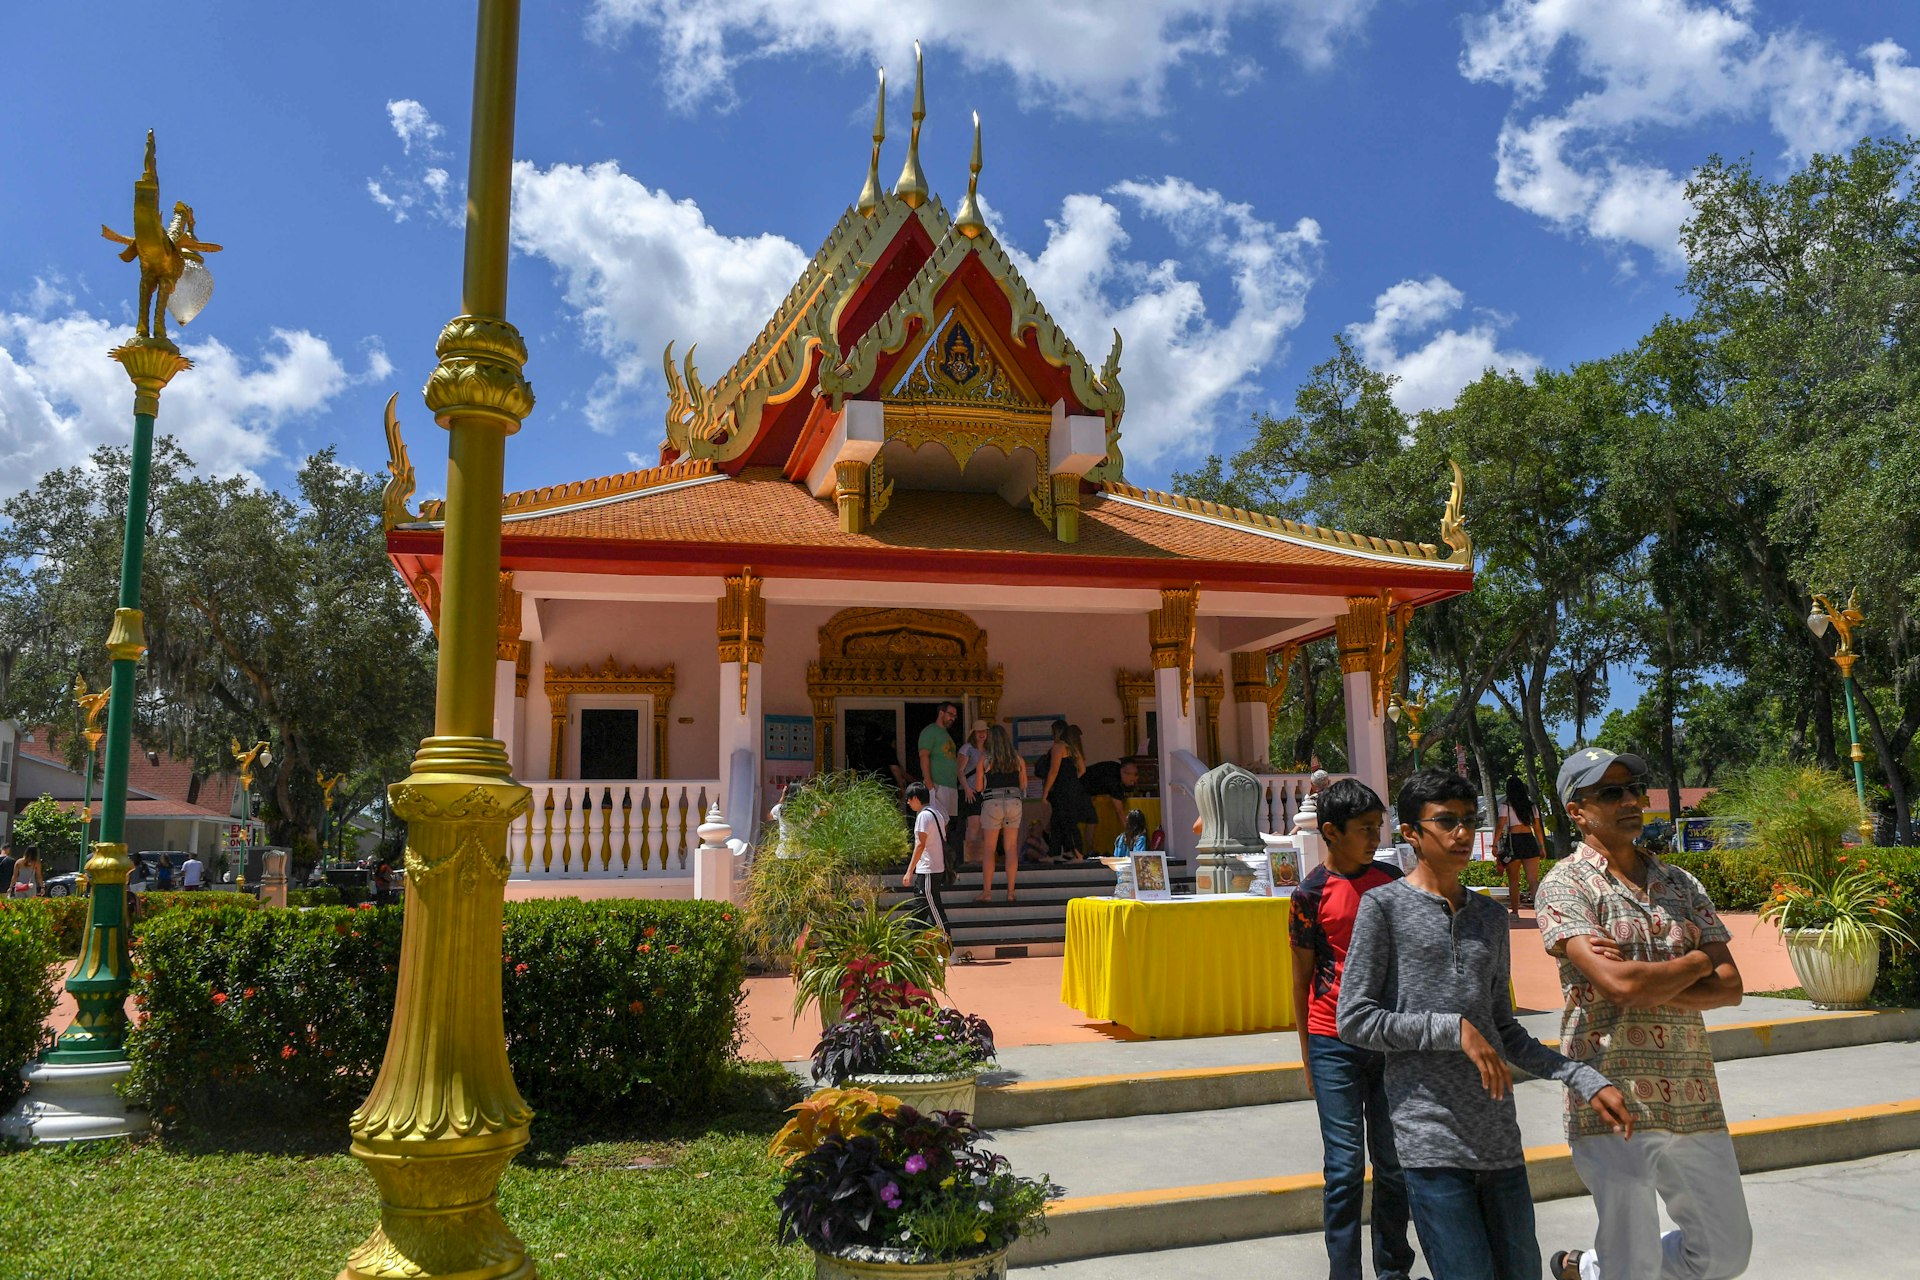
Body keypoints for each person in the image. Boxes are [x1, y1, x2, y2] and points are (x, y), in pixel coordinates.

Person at [1338, 769, 1632, 1280]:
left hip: (1497, 1140)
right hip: (1429, 1138)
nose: (1460, 835)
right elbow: (1354, 1020)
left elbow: (1504, 1028)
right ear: (1410, 833)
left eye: (1468, 822)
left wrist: (1581, 1076)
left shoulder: (1490, 917)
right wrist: (1449, 1029)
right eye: (1445, 822)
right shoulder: (1382, 908)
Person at [1534, 749, 1750, 1280]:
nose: (1631, 800)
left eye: (1635, 788)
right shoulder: (1565, 887)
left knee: (1725, 1252)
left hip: (1693, 1091)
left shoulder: (1681, 884)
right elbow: (1618, 985)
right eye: (1611, 793)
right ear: (1576, 811)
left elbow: (1730, 986)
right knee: (1632, 1264)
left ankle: (1587, 1268)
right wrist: (1696, 959)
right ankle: (1604, 1268)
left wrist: (1652, 978)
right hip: (1612, 1094)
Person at [1289, 778, 1413, 1280]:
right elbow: (1300, 981)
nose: (1374, 839)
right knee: (1343, 1171)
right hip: (1332, 1041)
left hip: (1388, 1042)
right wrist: (1308, 1058)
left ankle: (1393, 1271)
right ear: (1330, 833)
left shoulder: (1392, 882)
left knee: (1394, 1163)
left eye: (1377, 828)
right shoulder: (1309, 894)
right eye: (1364, 830)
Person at [973, 725, 1028, 903]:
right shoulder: (1017, 759)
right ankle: (1011, 892)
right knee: (1011, 848)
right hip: (1014, 801)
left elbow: (979, 787)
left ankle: (987, 892)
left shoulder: (985, 758)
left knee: (989, 849)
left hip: (992, 802)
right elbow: (1023, 784)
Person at [901, 782, 949, 940]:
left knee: (935, 911)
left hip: (928, 870)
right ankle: (911, 949)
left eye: (909, 799)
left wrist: (909, 871)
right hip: (932, 869)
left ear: (915, 798)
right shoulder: (936, 813)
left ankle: (948, 948)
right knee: (919, 913)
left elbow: (920, 844)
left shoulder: (923, 816)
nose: (908, 802)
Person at [1496, 773, 1548, 918]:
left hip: (1513, 842)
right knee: (1533, 880)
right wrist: (1542, 846)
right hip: (1529, 840)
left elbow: (1500, 825)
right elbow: (1537, 828)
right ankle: (1541, 912)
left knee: (1514, 880)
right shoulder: (1531, 806)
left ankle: (1515, 912)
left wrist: (1494, 844)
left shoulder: (1505, 806)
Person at [1042, 720, 1095, 861]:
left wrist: (1046, 791)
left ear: (1057, 732)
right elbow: (1082, 769)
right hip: (1073, 789)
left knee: (1062, 820)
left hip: (1061, 790)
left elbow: (1053, 771)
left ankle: (1074, 852)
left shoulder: (1058, 747)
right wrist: (1072, 779)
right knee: (1063, 820)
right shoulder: (1073, 748)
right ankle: (1060, 852)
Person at [958, 719, 991, 865]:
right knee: (973, 823)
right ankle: (970, 858)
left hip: (985, 791)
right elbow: (959, 771)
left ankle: (981, 857)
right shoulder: (967, 748)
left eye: (984, 731)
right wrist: (967, 789)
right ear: (974, 733)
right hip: (970, 790)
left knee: (984, 824)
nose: (982, 734)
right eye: (979, 731)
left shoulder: (989, 750)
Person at [1080, 758, 1140, 833]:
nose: (1132, 784)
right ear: (1125, 773)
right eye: (1132, 781)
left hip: (1083, 787)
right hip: (1078, 788)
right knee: (1091, 819)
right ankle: (1088, 845)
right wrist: (1130, 834)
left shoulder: (1115, 767)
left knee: (1091, 819)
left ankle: (1088, 845)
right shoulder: (1114, 782)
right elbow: (1120, 811)